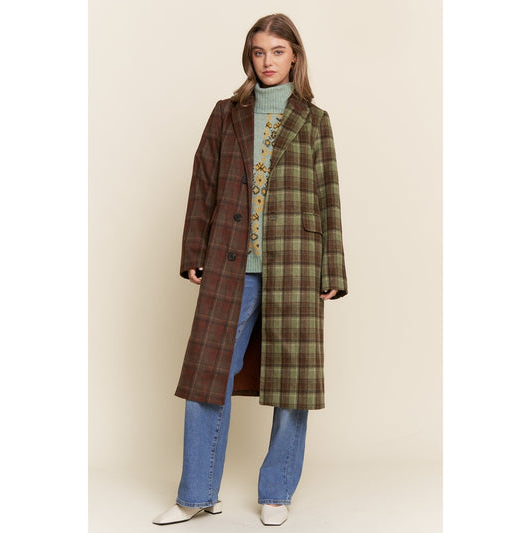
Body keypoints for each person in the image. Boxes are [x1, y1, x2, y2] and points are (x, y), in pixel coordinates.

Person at [152, 13, 347, 527]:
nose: (268, 61)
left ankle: (277, 492)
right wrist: (194, 249)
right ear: (249, 57)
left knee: (293, 385)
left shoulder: (314, 119)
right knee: (207, 376)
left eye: (277, 51)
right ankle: (197, 494)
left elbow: (328, 197)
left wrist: (333, 268)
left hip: (297, 264)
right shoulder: (226, 113)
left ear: (295, 56)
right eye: (259, 52)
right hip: (229, 261)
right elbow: (203, 183)